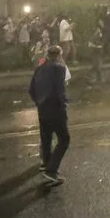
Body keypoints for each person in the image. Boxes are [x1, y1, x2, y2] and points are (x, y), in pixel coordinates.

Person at [29, 45, 70, 186]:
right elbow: (60, 89)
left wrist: (39, 102)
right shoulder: (59, 67)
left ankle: (46, 164)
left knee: (46, 138)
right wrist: (64, 103)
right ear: (59, 55)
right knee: (64, 139)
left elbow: (31, 90)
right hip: (55, 109)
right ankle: (51, 170)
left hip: (42, 109)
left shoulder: (39, 68)